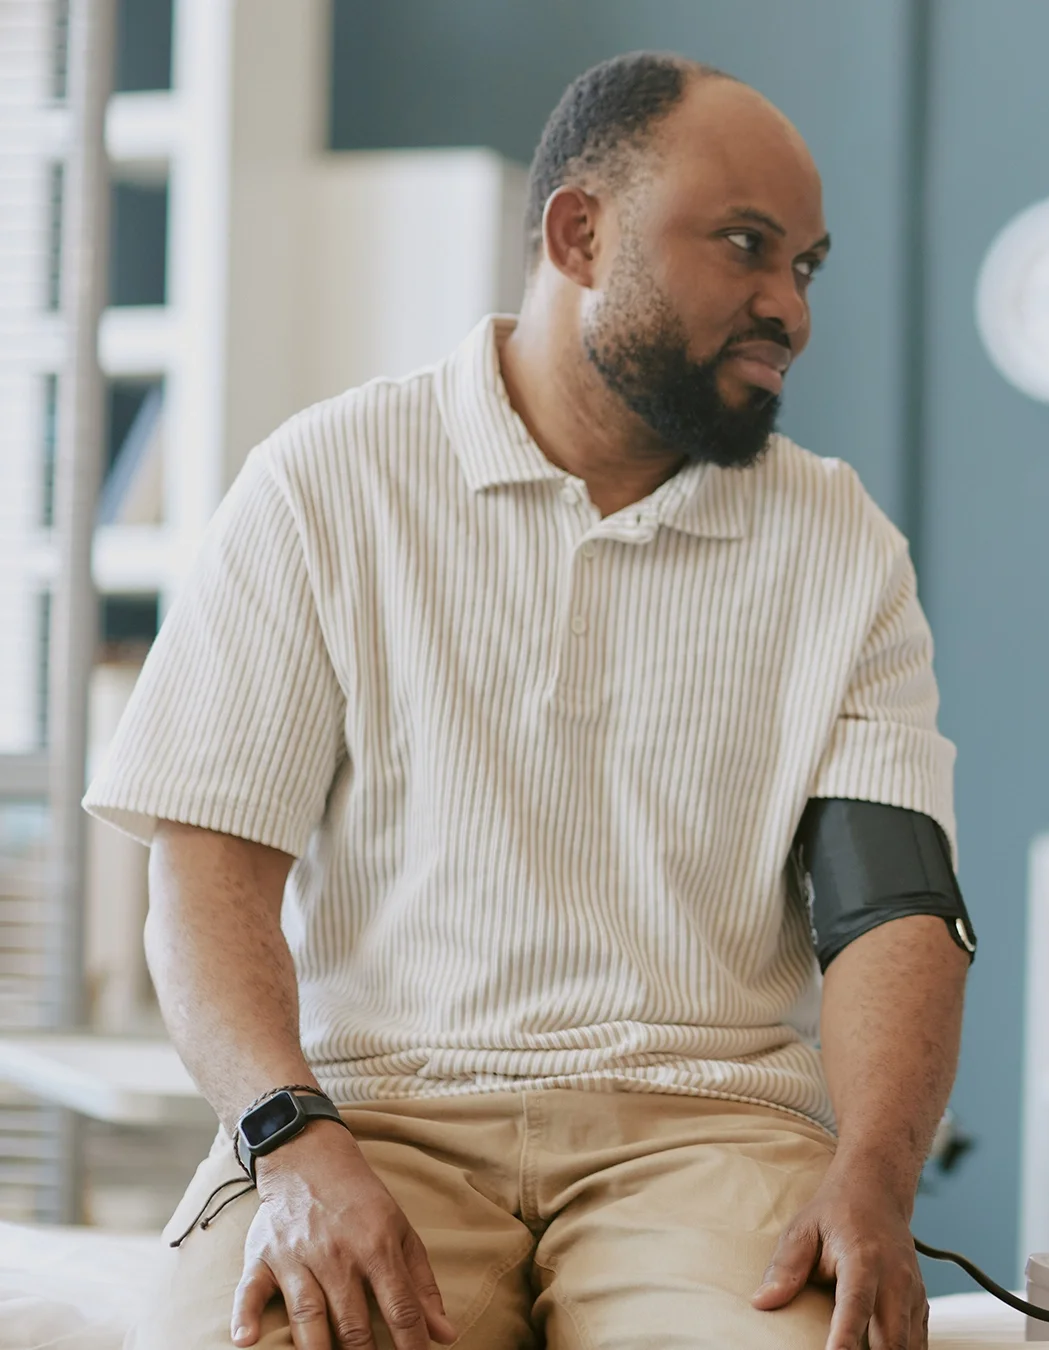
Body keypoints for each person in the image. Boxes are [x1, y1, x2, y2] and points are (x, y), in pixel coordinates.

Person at [89, 53, 971, 1350]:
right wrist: (289, 1136)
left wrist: (875, 1174)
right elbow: (207, 879)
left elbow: (894, 911)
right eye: (746, 247)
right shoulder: (326, 483)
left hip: (705, 1130)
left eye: (808, 267)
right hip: (364, 1115)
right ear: (579, 231)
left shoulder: (841, 543)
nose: (788, 305)